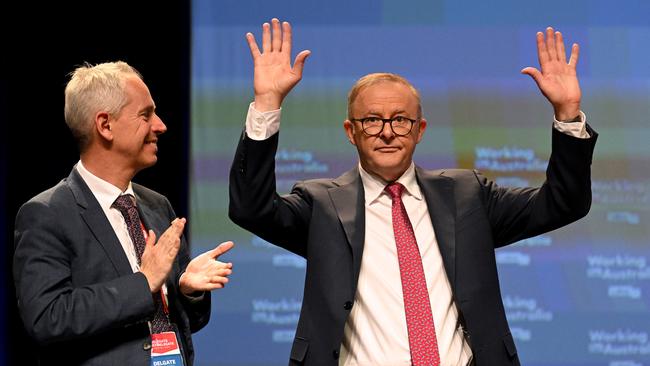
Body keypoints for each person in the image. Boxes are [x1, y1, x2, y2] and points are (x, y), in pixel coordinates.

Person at [229, 18, 597, 366]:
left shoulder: (467, 194)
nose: (387, 132)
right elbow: (251, 208)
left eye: (400, 120)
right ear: (350, 131)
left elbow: (563, 203)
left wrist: (567, 113)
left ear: (420, 129)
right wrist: (266, 106)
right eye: (372, 120)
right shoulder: (322, 205)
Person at [13, 61, 234, 366]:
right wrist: (144, 283)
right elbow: (47, 318)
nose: (160, 126)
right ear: (105, 125)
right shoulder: (47, 214)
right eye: (146, 115)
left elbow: (182, 324)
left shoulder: (157, 205)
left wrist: (187, 291)